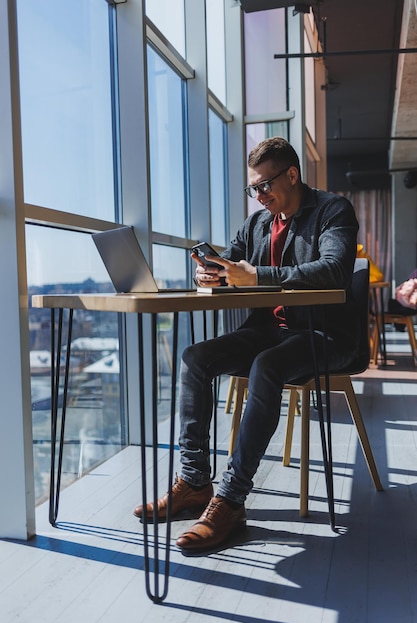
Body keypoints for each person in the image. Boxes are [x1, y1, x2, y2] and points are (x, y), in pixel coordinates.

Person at [134, 136, 360, 552]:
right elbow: (231, 264)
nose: (259, 196)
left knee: (267, 366)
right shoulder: (257, 224)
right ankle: (196, 481)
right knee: (195, 357)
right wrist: (211, 273)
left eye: (264, 186)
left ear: (292, 175)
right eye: (253, 188)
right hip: (267, 331)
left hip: (324, 334)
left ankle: (231, 499)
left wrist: (256, 276)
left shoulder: (332, 210)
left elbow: (333, 271)